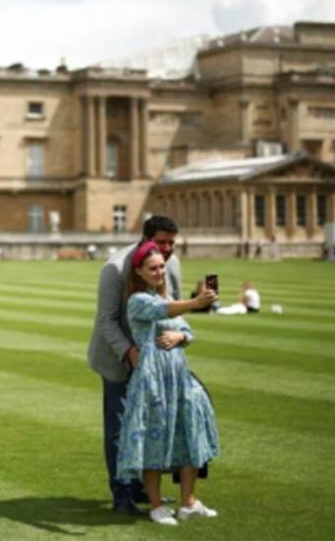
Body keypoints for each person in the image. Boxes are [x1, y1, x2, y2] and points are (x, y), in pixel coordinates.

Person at [86, 215, 188, 517]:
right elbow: (106, 320)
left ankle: (143, 488)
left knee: (151, 425)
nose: (167, 249)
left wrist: (179, 336)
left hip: (154, 360)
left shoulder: (173, 263)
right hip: (117, 358)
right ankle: (121, 493)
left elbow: (173, 308)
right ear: (145, 239)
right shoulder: (116, 268)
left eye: (171, 243)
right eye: (161, 242)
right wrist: (128, 351)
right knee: (120, 427)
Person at [116, 240, 219, 526]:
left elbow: (187, 330)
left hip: (178, 375)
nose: (160, 272)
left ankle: (188, 502)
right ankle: (156, 505)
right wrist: (196, 303)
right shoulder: (137, 300)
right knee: (154, 438)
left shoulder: (165, 297)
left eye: (162, 267)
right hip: (152, 377)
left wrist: (180, 336)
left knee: (189, 432)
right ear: (138, 271)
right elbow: (163, 311)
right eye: (153, 268)